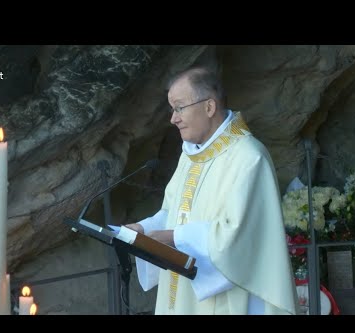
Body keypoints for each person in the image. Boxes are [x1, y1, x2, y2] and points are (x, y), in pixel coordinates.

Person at [126, 66, 299, 315]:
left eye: (179, 107)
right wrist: (143, 229)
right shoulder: (191, 156)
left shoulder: (248, 157)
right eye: (172, 109)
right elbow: (174, 213)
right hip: (186, 291)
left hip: (231, 297)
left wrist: (174, 238)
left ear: (209, 107)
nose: (173, 118)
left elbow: (237, 236)